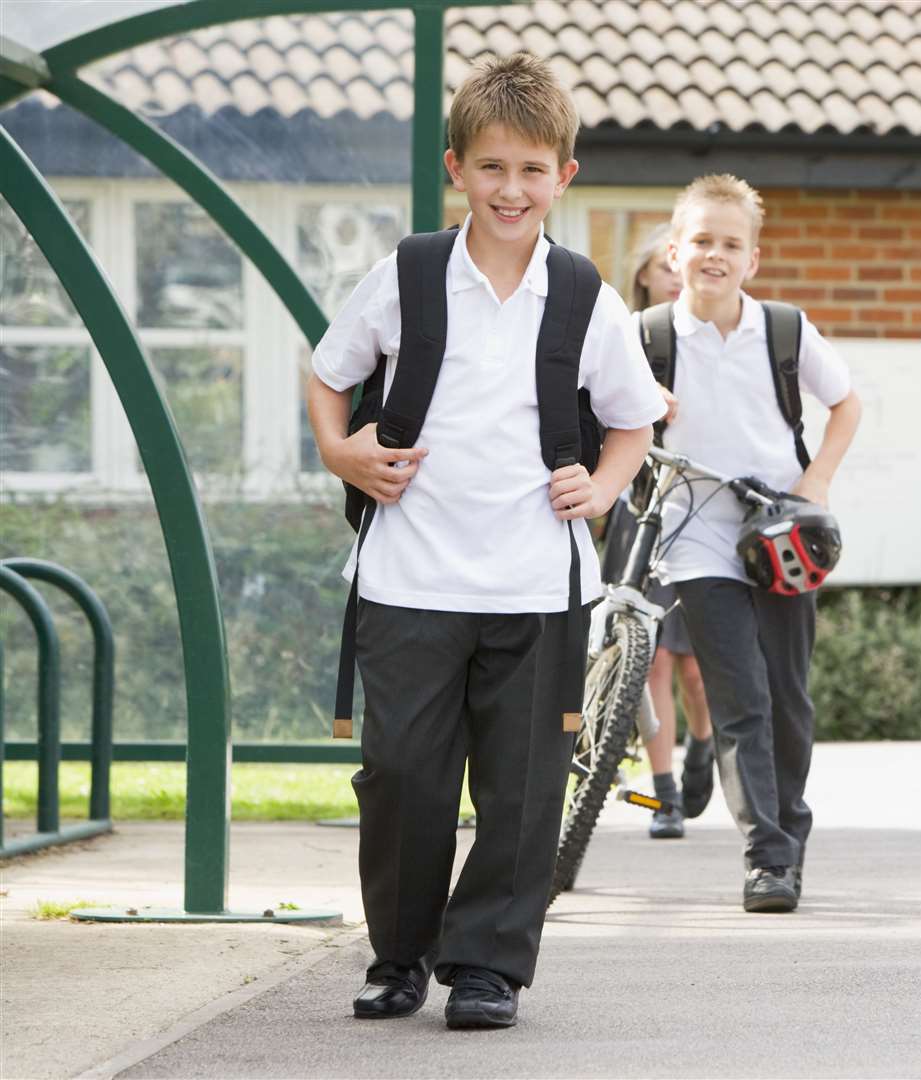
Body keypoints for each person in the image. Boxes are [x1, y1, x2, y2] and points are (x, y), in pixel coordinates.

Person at [306, 54, 665, 1026]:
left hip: (539, 586)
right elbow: (329, 372)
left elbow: (636, 417)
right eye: (494, 167)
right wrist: (342, 454)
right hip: (407, 576)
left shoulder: (588, 296)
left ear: (564, 177)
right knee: (402, 778)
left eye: (533, 170)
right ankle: (400, 955)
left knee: (521, 790)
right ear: (458, 168)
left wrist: (604, 485)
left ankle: (488, 966)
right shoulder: (409, 275)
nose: (513, 189)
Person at [653, 174, 862, 913]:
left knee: (788, 697)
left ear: (753, 259)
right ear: (675, 251)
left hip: (779, 530)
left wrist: (818, 483)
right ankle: (765, 855)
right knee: (739, 693)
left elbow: (845, 403)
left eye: (730, 244)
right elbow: (598, 411)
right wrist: (643, 404)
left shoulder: (784, 329)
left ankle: (791, 832)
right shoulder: (645, 335)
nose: (715, 254)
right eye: (702, 240)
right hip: (695, 535)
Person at [615, 224, 718, 840]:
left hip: (697, 507)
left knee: (695, 669)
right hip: (640, 510)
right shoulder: (626, 338)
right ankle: (663, 794)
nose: (676, 276)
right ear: (647, 275)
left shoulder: (711, 337)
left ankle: (703, 742)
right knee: (650, 659)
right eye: (664, 265)